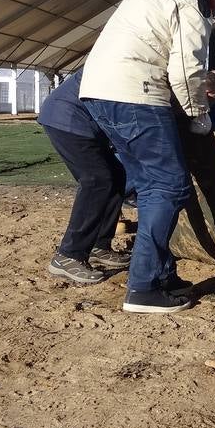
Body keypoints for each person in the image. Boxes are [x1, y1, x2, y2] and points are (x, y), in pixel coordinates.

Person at [80, 0, 215, 314]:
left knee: (151, 185)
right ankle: (144, 288)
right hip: (134, 92)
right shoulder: (189, 3)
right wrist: (198, 116)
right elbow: (186, 68)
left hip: (98, 92)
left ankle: (162, 274)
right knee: (168, 186)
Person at [39, 72, 131, 285]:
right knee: (97, 181)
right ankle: (69, 255)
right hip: (68, 119)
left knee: (117, 176)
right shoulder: (123, 58)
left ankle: (100, 244)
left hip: (82, 120)